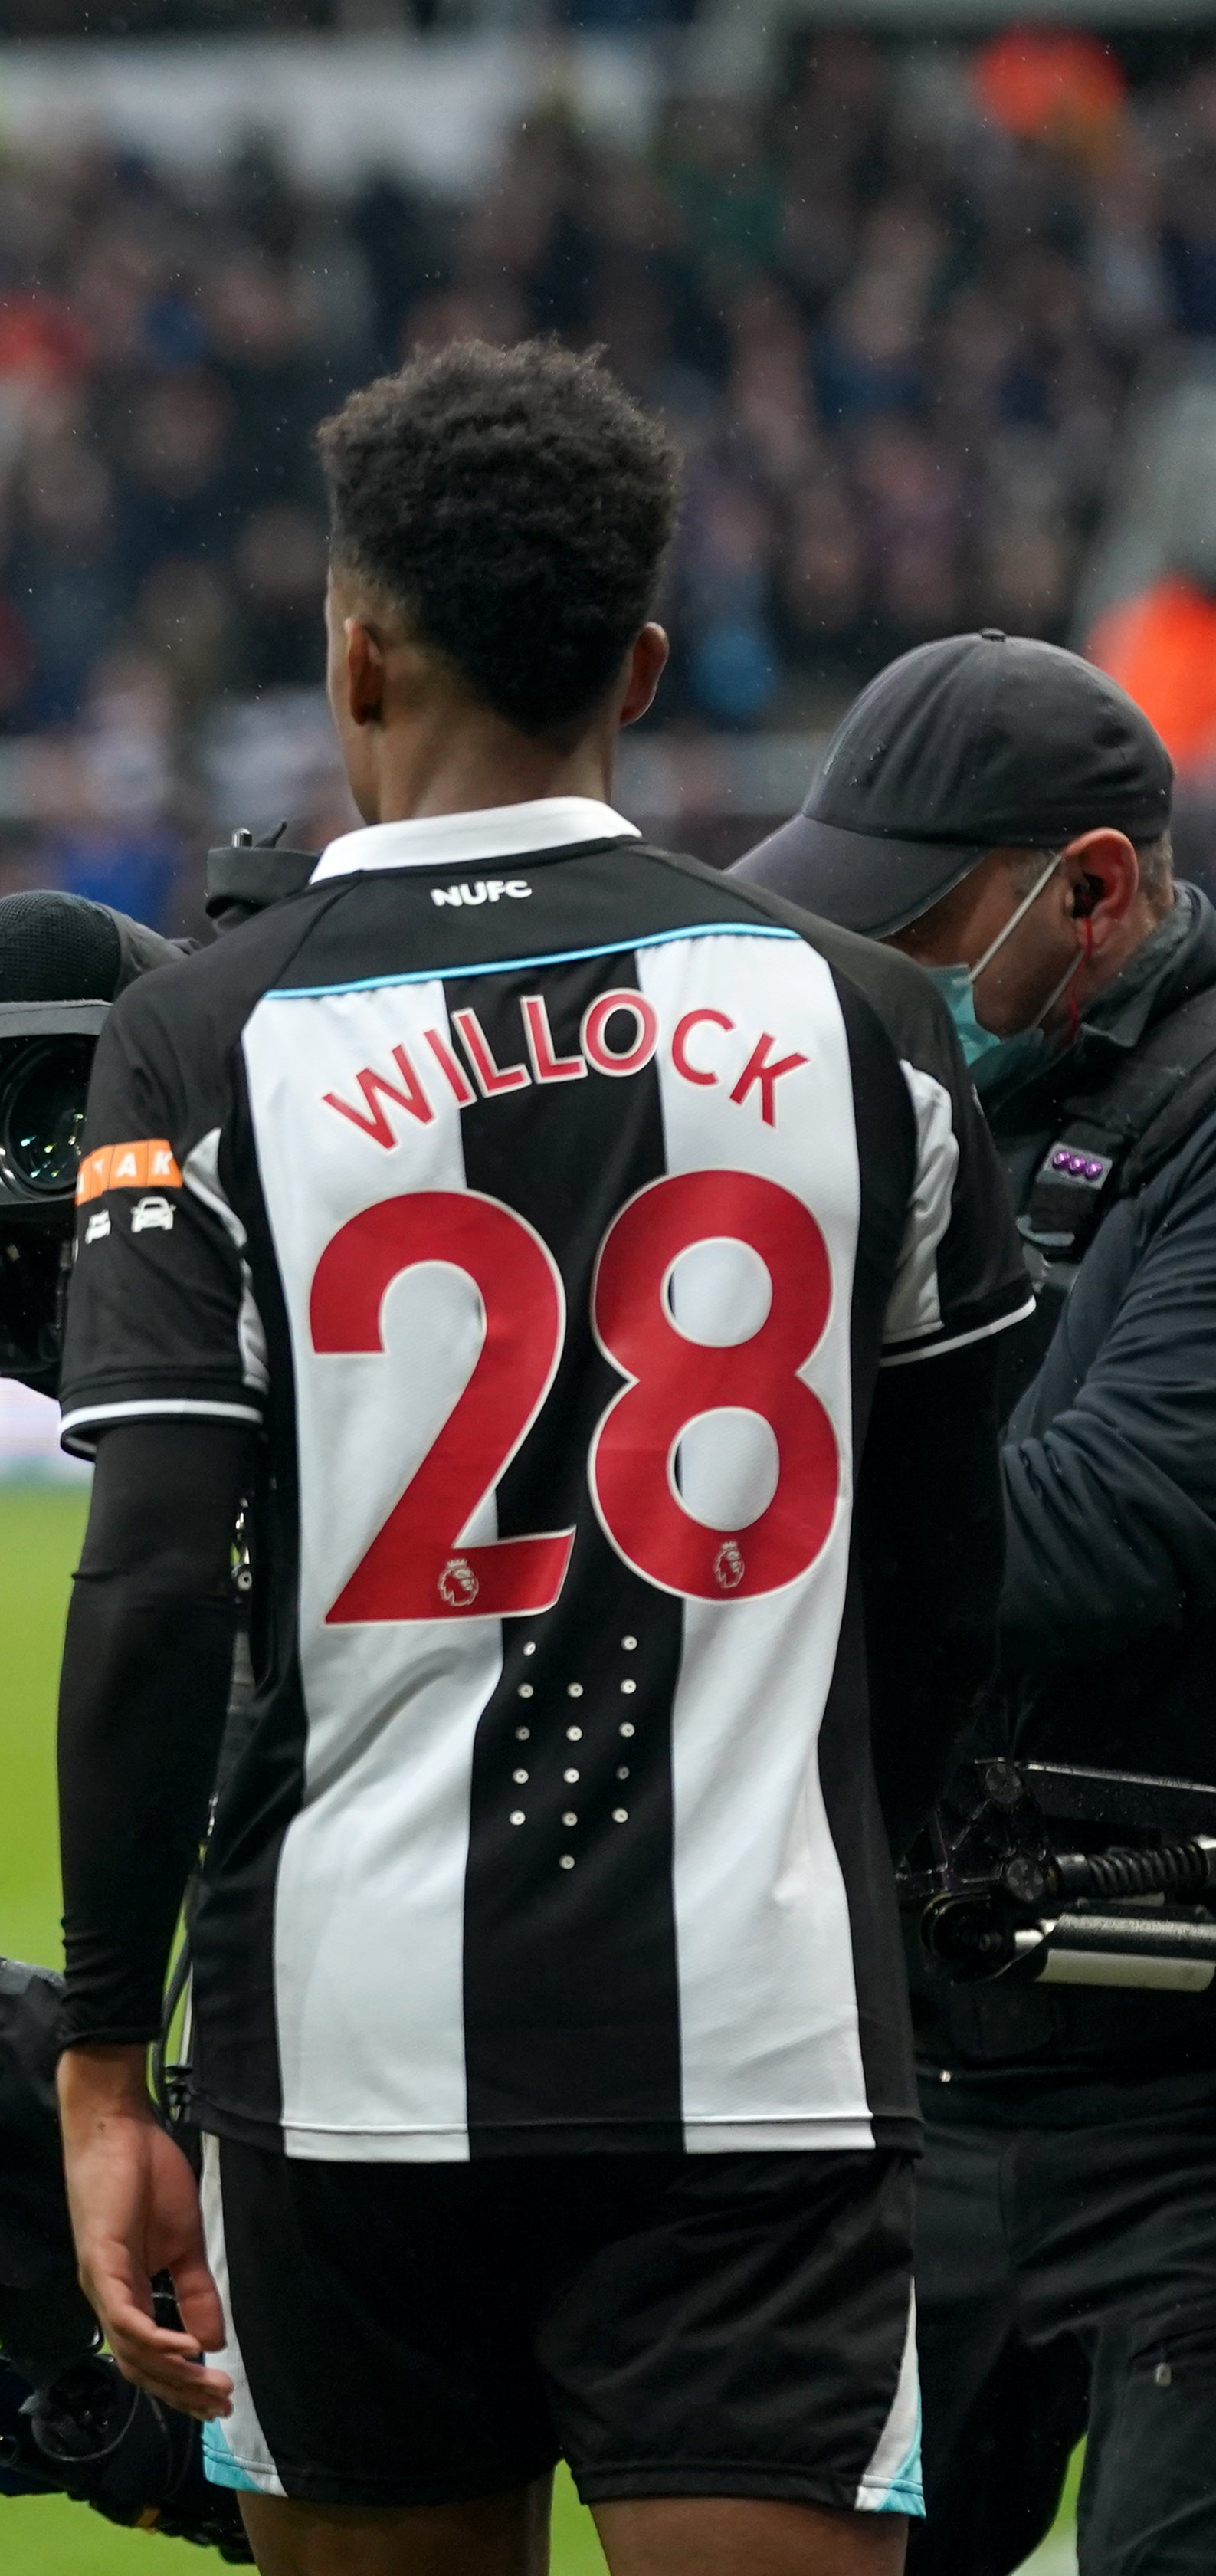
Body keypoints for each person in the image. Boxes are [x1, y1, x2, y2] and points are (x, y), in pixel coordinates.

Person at [50, 340, 1036, 2576]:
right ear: (645, 662)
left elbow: (138, 1587)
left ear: (352, 653)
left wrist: (107, 2063)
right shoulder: (861, 1024)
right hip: (761, 2050)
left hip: (348, 2049)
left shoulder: (203, 1034)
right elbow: (948, 1572)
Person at [735, 633, 1216, 2576]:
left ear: (1092, 892)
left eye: (914, 924)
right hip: (917, 2067)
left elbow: (1122, 1516)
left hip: (1185, 2104)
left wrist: (721, 1545)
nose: (872, 973)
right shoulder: (909, 1092)